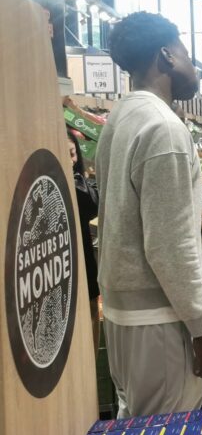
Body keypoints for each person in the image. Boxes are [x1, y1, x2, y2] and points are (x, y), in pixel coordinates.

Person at [96, 12, 202, 418]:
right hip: (158, 317)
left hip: (122, 313)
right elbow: (170, 243)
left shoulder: (120, 118)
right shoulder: (164, 128)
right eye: (187, 52)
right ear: (167, 56)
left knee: (138, 431)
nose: (193, 64)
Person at [67, 130, 100, 328]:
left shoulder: (81, 184)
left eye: (72, 153)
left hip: (85, 256)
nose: (70, 161)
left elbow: (93, 206)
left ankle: (92, 358)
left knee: (90, 310)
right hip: (62, 259)